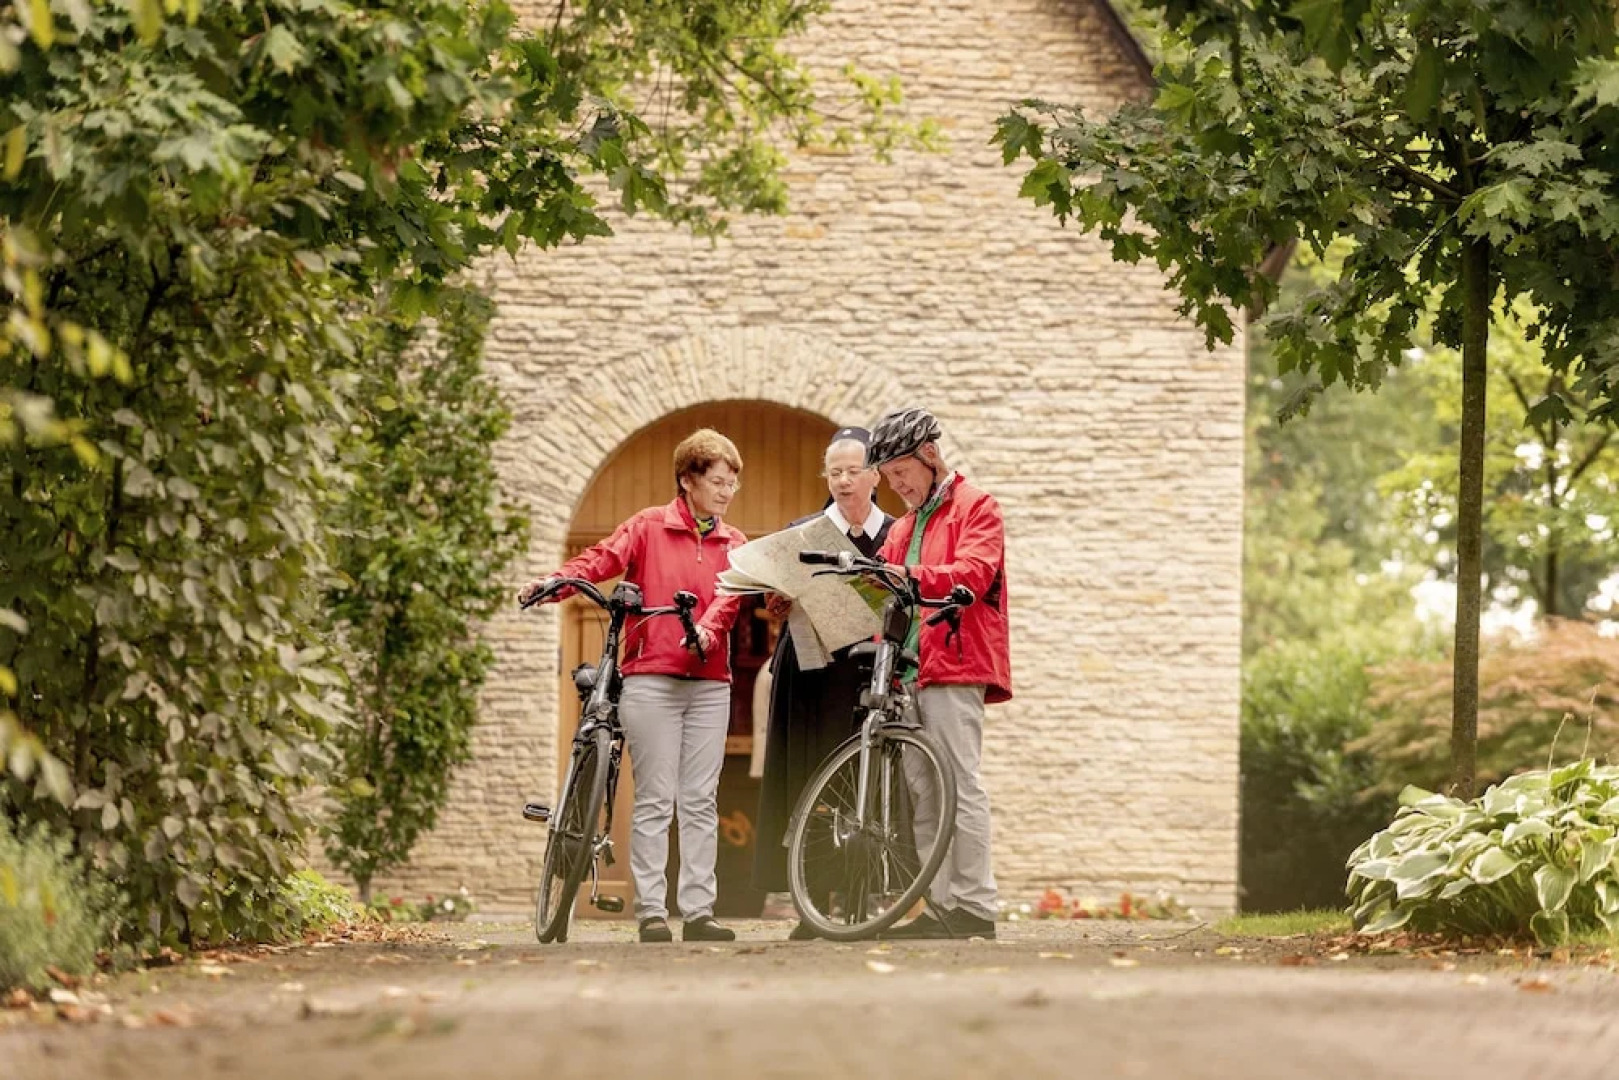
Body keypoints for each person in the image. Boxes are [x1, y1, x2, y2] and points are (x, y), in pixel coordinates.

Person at [519, 429, 747, 944]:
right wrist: (551, 584)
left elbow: (730, 599)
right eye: (717, 480)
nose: (726, 491)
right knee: (655, 798)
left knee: (700, 800)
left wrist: (710, 628)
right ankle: (650, 911)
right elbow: (599, 560)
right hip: (651, 680)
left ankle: (699, 911)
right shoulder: (647, 526)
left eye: (732, 483)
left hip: (711, 684)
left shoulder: (736, 544)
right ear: (687, 479)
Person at [866, 408, 1011, 940]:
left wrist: (905, 574)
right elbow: (882, 586)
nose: (896, 484)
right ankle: (941, 904)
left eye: (901, 471)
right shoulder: (902, 526)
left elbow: (974, 573)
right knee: (924, 791)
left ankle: (976, 905)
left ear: (930, 455)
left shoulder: (977, 507)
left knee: (960, 784)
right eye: (888, 476)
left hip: (955, 661)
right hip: (906, 668)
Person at [751, 427, 894, 940]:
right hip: (809, 675)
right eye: (834, 472)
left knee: (870, 782)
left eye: (853, 471)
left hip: (868, 674)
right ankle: (810, 901)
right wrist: (775, 600)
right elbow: (768, 595)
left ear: (875, 474)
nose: (842, 481)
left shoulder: (895, 536)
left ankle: (863, 899)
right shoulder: (805, 531)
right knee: (809, 780)